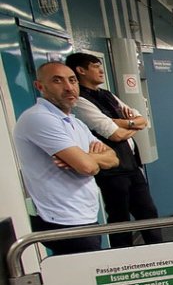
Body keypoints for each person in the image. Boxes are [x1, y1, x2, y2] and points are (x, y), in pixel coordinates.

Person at [13, 62, 118, 255]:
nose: (69, 87)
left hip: (83, 214)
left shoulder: (75, 123)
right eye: (57, 81)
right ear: (40, 86)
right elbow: (88, 168)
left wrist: (85, 157)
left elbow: (113, 158)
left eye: (72, 81)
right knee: (83, 278)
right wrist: (90, 161)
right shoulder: (38, 118)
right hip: (62, 220)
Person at [65, 53, 163, 249]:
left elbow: (142, 120)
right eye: (95, 66)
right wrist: (129, 125)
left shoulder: (108, 95)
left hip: (132, 165)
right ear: (81, 70)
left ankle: (160, 252)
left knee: (148, 211)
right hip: (111, 171)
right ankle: (122, 259)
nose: (101, 71)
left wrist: (121, 123)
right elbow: (113, 135)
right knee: (120, 219)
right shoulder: (81, 101)